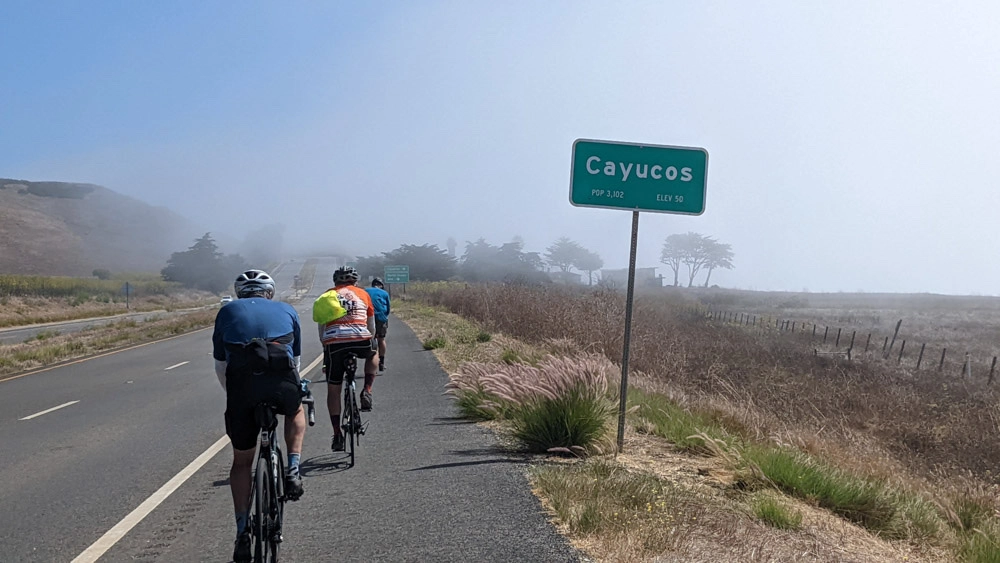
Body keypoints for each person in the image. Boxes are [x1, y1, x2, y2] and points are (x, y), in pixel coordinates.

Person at [213, 269, 306, 563]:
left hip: (242, 387)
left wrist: (235, 395)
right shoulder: (287, 309)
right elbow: (296, 361)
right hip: (281, 382)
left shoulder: (226, 311)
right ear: (270, 292)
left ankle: (242, 531)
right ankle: (292, 468)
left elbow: (221, 365)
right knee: (296, 410)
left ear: (241, 293)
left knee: (242, 463)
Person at [318, 266, 379, 452]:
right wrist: (370, 339)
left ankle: (337, 434)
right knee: (374, 352)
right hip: (361, 340)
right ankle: (367, 390)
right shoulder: (363, 294)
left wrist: (325, 346)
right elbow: (372, 326)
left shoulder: (326, 296)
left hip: (335, 344)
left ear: (335, 283)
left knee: (334, 389)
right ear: (355, 282)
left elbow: (321, 329)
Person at [367, 277, 391, 372]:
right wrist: (384, 318)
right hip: (381, 318)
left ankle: (371, 361)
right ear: (381, 285)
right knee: (381, 339)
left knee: (369, 340)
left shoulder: (365, 291)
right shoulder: (384, 293)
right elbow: (388, 308)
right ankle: (381, 362)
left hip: (367, 317)